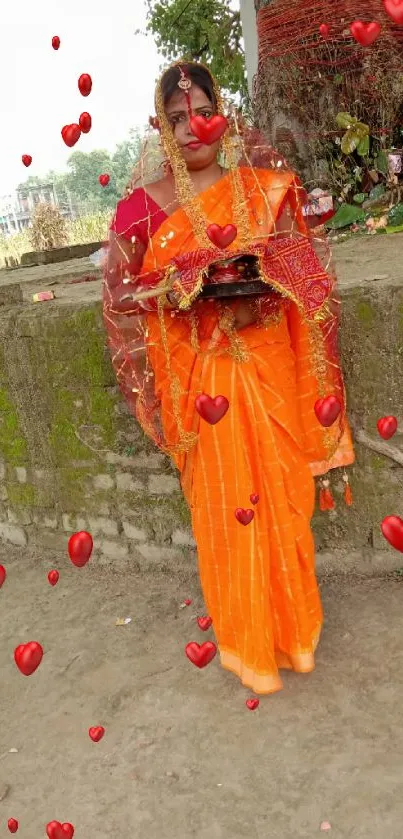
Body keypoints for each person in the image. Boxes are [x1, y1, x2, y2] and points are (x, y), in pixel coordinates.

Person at [103, 60, 355, 695]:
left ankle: (294, 636)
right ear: (160, 128)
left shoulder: (265, 190)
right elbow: (123, 303)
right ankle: (247, 646)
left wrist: (262, 287)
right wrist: (182, 288)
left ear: (225, 114)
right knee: (226, 515)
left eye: (202, 111)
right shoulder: (137, 212)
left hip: (270, 367)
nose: (193, 127)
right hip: (202, 383)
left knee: (283, 505)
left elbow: (310, 280)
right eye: (177, 118)